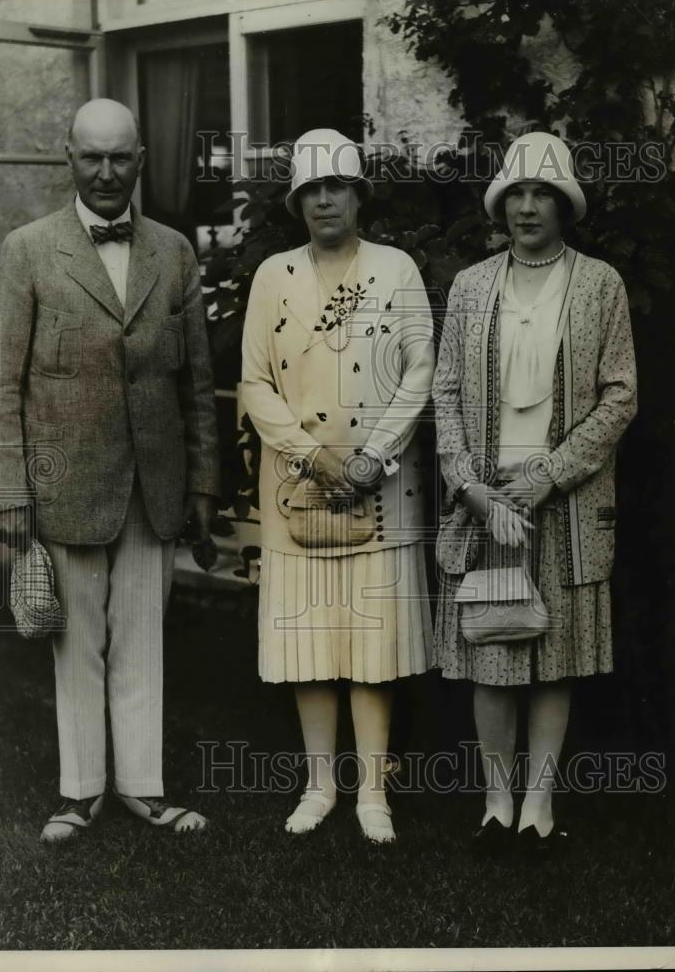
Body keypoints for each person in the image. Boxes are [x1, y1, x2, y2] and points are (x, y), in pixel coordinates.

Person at [0, 98, 219, 842]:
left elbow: (198, 382)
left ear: (141, 159)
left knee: (142, 637)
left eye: (120, 157)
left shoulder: (173, 252)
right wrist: (9, 488)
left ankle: (142, 787)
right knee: (76, 642)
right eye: (92, 156)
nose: (107, 172)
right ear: (69, 158)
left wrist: (203, 482)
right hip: (65, 484)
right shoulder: (28, 249)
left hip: (155, 483)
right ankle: (80, 792)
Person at [432, 131, 637, 852]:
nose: (526, 207)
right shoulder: (470, 286)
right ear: (499, 205)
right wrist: (469, 485)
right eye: (515, 193)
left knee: (555, 656)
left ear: (564, 205)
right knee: (493, 645)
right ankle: (496, 801)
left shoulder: (600, 284)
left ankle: (539, 803)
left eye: (541, 194)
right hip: (488, 501)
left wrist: (548, 475)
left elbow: (620, 394)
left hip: (565, 499)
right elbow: (445, 393)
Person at [241, 128, 435, 843]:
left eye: (337, 187)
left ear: (358, 196)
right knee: (310, 642)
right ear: (297, 203)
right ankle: (319, 785)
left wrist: (371, 456)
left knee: (371, 644)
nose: (324, 200)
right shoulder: (273, 275)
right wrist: (310, 456)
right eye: (311, 190)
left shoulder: (396, 269)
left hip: (378, 484)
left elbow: (420, 368)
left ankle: (373, 793)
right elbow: (254, 382)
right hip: (299, 488)